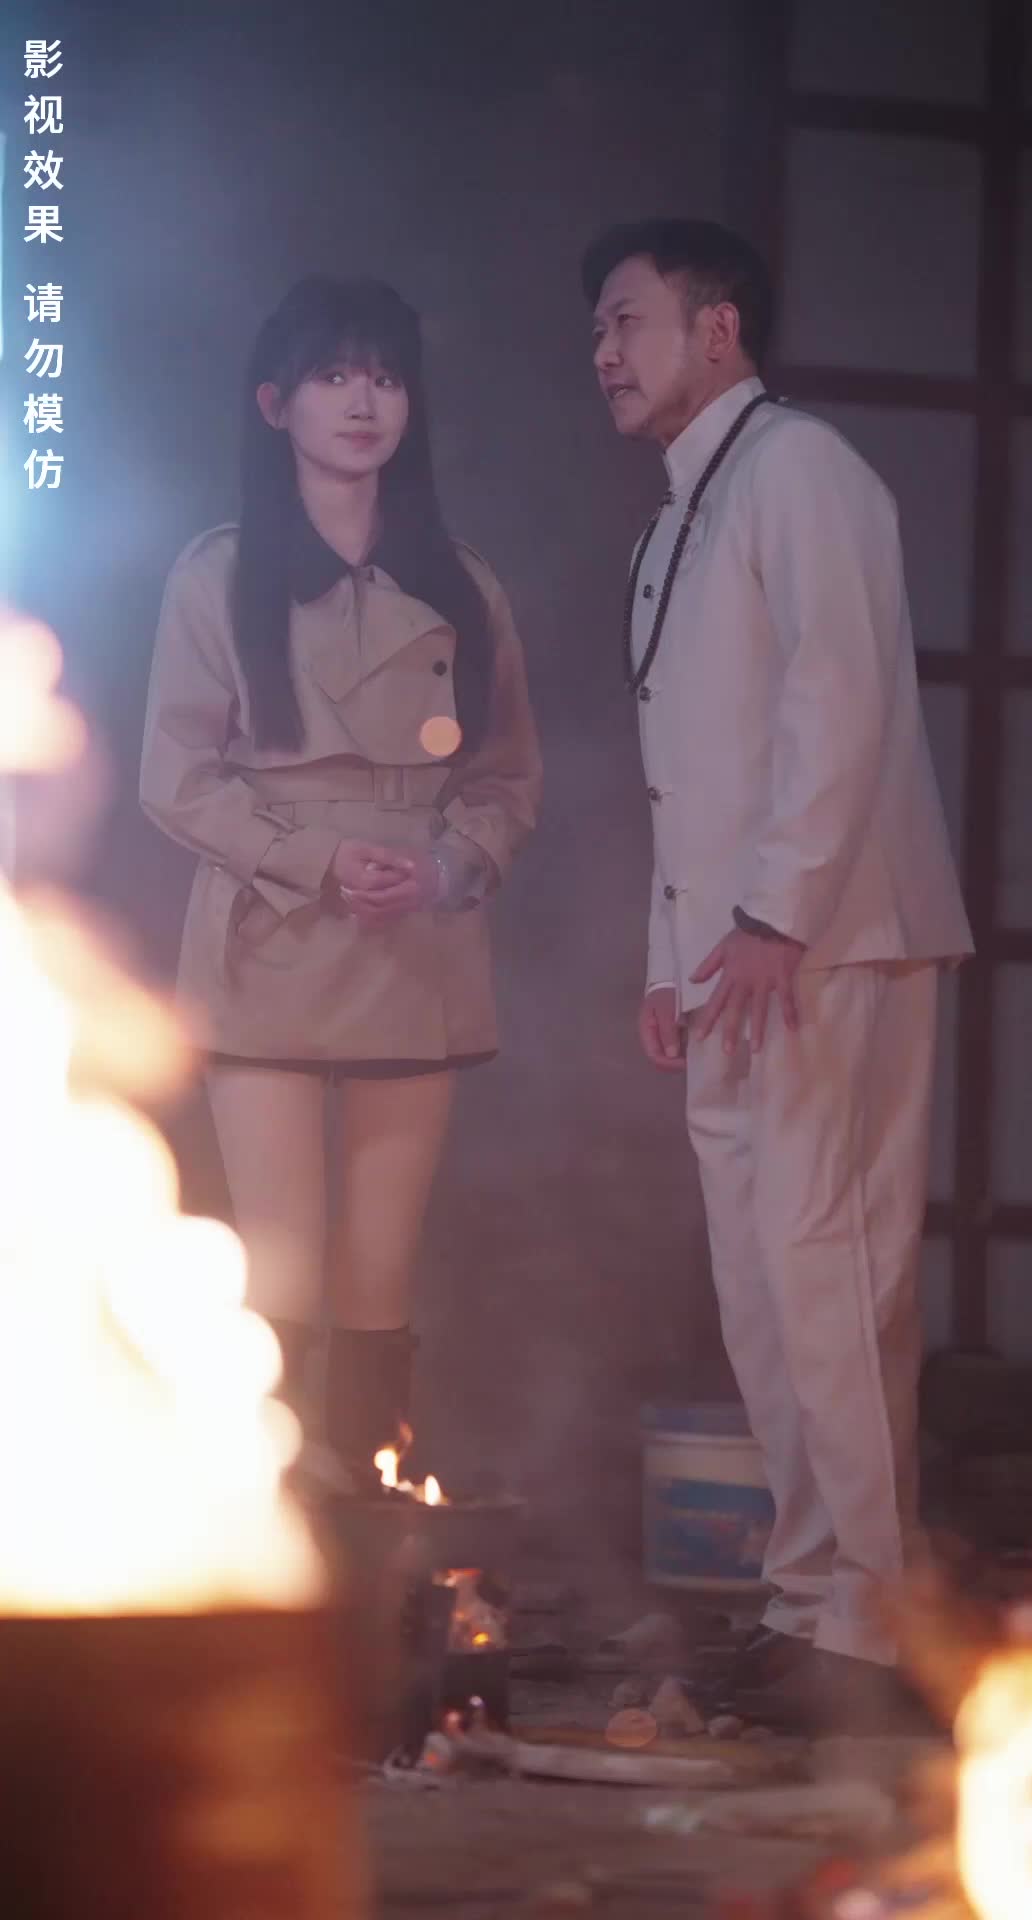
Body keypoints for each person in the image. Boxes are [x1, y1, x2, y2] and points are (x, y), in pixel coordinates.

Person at [583, 219, 972, 1705]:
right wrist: (671, 955)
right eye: (598, 331)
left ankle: (869, 1624)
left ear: (719, 328)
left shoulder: (802, 468)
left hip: (829, 941)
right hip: (735, 958)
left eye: (628, 321)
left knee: (831, 1272)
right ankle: (810, 1601)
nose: (605, 354)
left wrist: (774, 918)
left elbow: (840, 699)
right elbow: (686, 776)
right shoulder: (672, 524)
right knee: (760, 1289)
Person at [141, 275, 540, 1487]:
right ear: (276, 404)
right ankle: (271, 1531)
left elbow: (507, 778)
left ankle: (366, 1522)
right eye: (333, 376)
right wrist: (316, 859)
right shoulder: (217, 575)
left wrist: (443, 864)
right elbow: (175, 777)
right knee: (279, 1268)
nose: (364, 403)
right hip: (268, 934)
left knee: (379, 1272)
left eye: (385, 378)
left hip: (414, 941)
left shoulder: (462, 583)